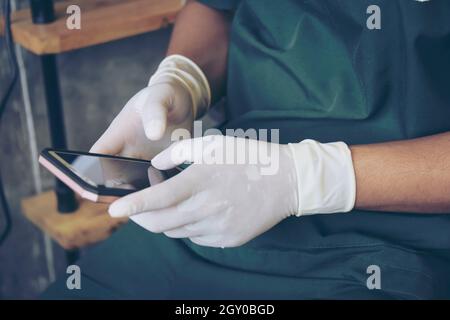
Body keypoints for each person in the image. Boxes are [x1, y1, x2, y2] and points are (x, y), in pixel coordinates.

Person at [43, 0, 450, 299]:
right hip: (218, 202)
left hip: (396, 241)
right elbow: (215, 8)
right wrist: (183, 80)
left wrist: (305, 179)